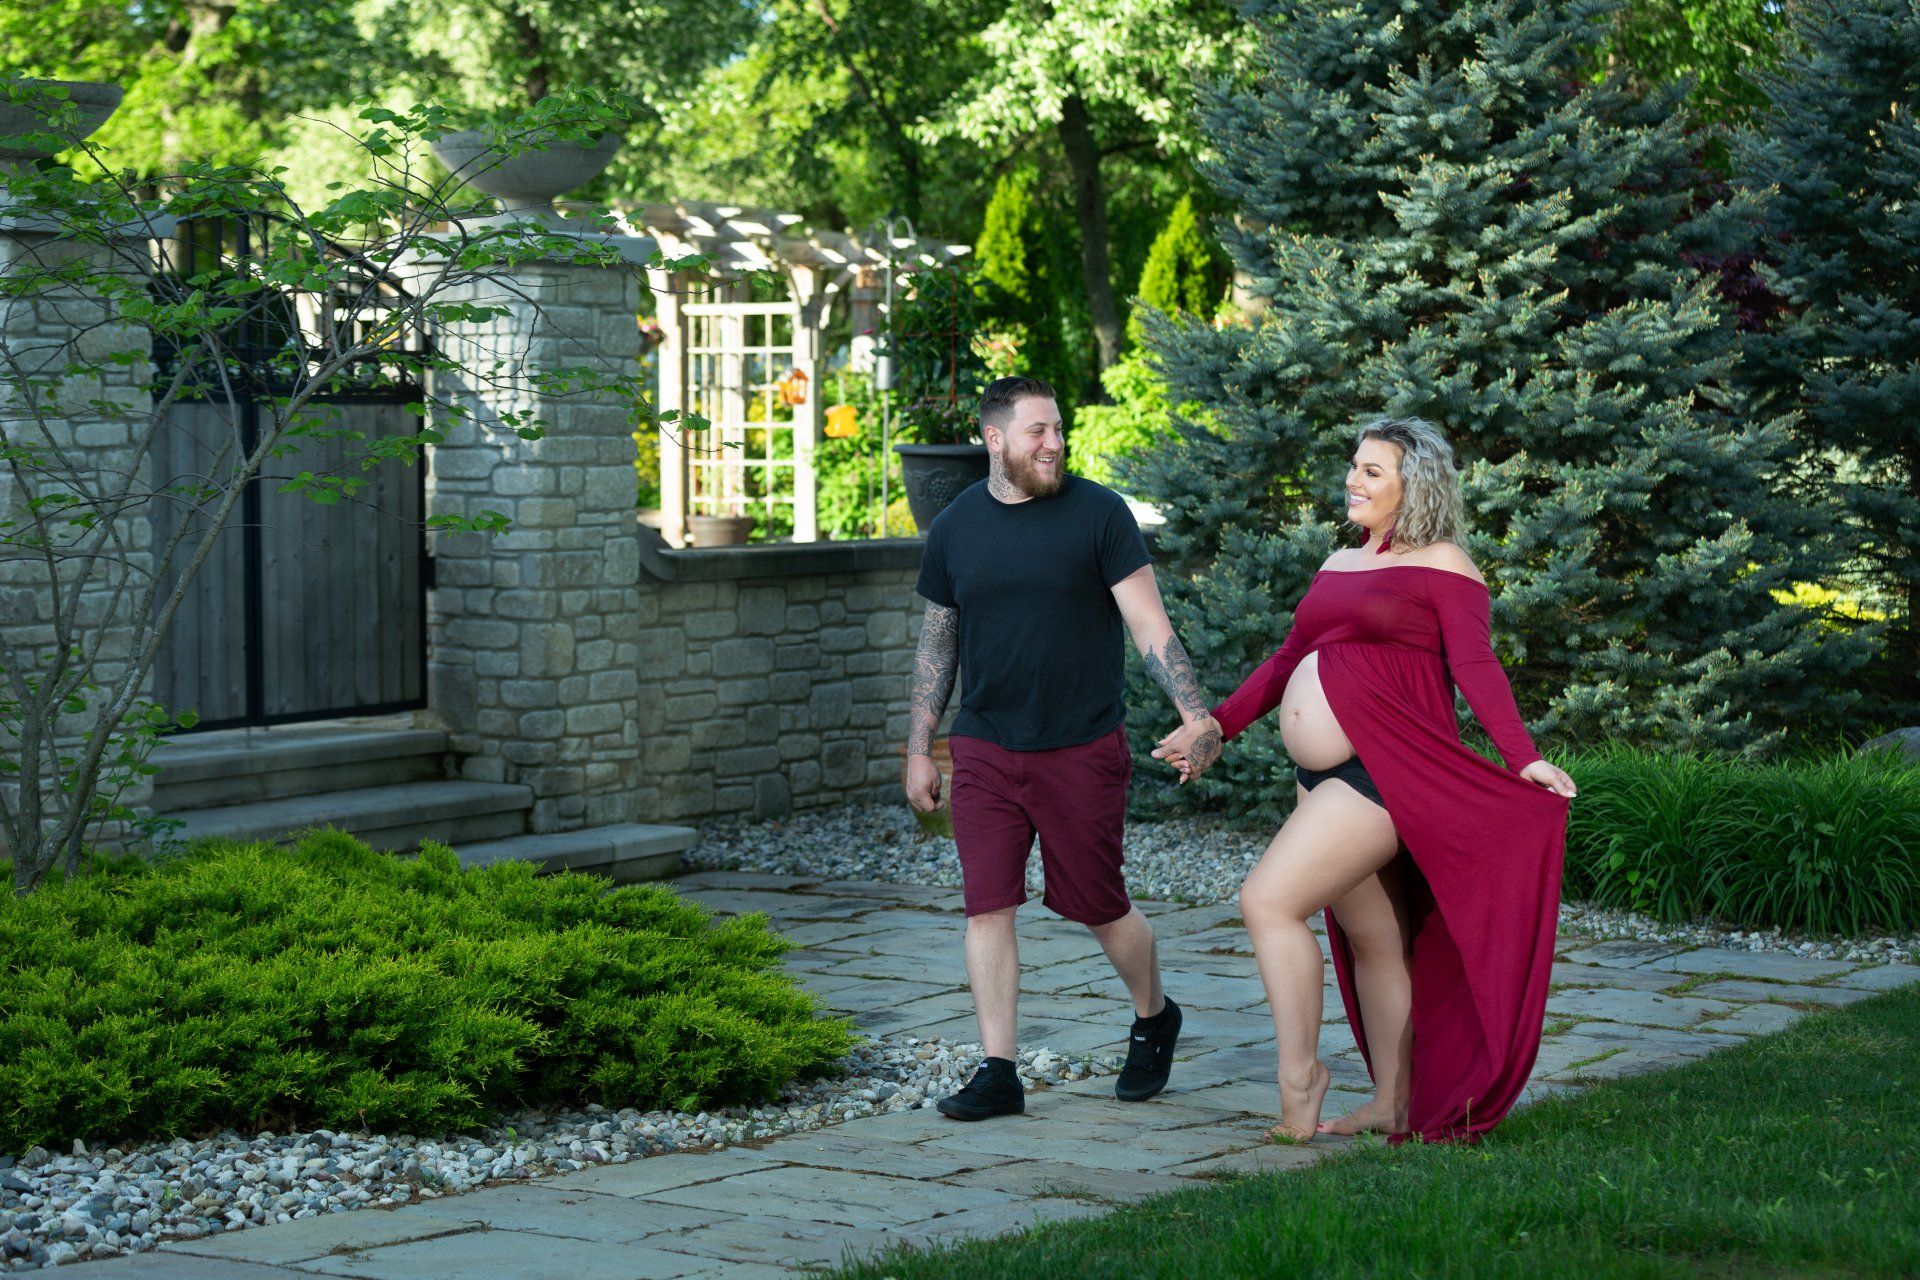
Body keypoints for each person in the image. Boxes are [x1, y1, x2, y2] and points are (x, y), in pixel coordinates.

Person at [1155, 417, 1576, 1144]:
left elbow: (1476, 667)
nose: (1353, 479)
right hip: (1320, 776)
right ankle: (1392, 1101)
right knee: (1375, 940)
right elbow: (1289, 659)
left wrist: (1522, 758)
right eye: (1354, 466)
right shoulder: (1340, 562)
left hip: (1389, 770)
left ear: (1415, 486)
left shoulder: (1446, 564)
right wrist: (1217, 726)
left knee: (1267, 902)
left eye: (1372, 471)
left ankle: (1301, 1080)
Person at [904, 375, 1221, 1121]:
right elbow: (936, 645)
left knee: (1097, 903)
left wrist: (1196, 713)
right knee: (987, 906)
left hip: (1080, 743)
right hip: (983, 745)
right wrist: (919, 747)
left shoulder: (1099, 515)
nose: (1055, 443)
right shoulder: (955, 527)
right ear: (997, 441)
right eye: (1039, 431)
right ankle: (998, 1070)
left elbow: (1150, 625)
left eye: (1058, 430)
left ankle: (1153, 1015)